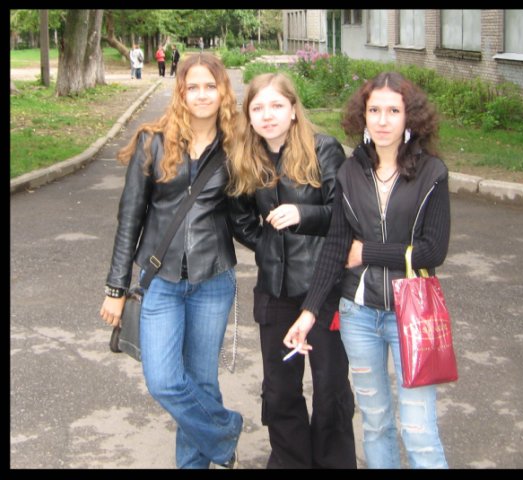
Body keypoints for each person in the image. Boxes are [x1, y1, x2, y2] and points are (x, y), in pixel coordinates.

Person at [283, 71, 451, 469]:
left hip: (413, 314)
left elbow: (433, 250)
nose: (383, 120)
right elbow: (336, 248)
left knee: (419, 431)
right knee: (375, 425)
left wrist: (368, 252)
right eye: (374, 110)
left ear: (410, 117)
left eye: (393, 110)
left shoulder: (432, 172)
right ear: (363, 116)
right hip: (358, 315)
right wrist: (308, 313)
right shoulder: (349, 172)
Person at [99, 53, 243, 469]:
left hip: (213, 279)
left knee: (201, 381)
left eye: (210, 86)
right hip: (160, 279)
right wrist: (116, 287)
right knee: (163, 380)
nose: (202, 95)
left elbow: (246, 214)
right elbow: (130, 218)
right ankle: (224, 431)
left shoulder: (235, 145)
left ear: (223, 91)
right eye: (192, 86)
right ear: (180, 91)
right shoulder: (153, 141)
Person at [227, 72, 357, 469]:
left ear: (294, 110)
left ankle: (333, 462)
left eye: (276, 106)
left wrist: (303, 215)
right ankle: (291, 460)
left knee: (330, 387)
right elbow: (240, 219)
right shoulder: (245, 157)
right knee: (280, 389)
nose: (267, 115)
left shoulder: (324, 149)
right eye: (258, 108)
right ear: (248, 116)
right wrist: (270, 248)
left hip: (324, 287)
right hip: (274, 290)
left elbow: (344, 216)